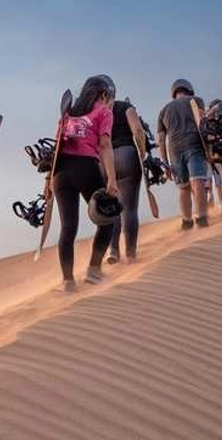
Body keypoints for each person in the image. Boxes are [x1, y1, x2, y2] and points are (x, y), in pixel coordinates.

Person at [53, 75, 119, 289]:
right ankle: (93, 270)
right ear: (103, 95)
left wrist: (48, 185)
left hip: (60, 172)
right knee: (108, 218)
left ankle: (68, 281)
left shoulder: (68, 113)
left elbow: (56, 150)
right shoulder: (103, 111)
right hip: (86, 167)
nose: (111, 102)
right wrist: (112, 178)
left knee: (68, 227)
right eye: (110, 97)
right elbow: (105, 145)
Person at [157, 78, 210, 229]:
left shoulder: (164, 110)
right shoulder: (196, 100)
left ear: (174, 92)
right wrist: (210, 149)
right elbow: (203, 121)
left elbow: (161, 140)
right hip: (194, 144)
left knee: (183, 187)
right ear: (189, 89)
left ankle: (186, 221)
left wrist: (165, 162)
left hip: (174, 149)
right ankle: (202, 218)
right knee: (197, 181)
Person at [106, 96, 148, 263]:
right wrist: (142, 151)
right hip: (127, 155)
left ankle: (113, 251)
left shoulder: (94, 113)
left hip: (104, 162)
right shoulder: (125, 106)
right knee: (129, 208)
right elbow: (137, 130)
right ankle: (130, 254)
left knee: (111, 209)